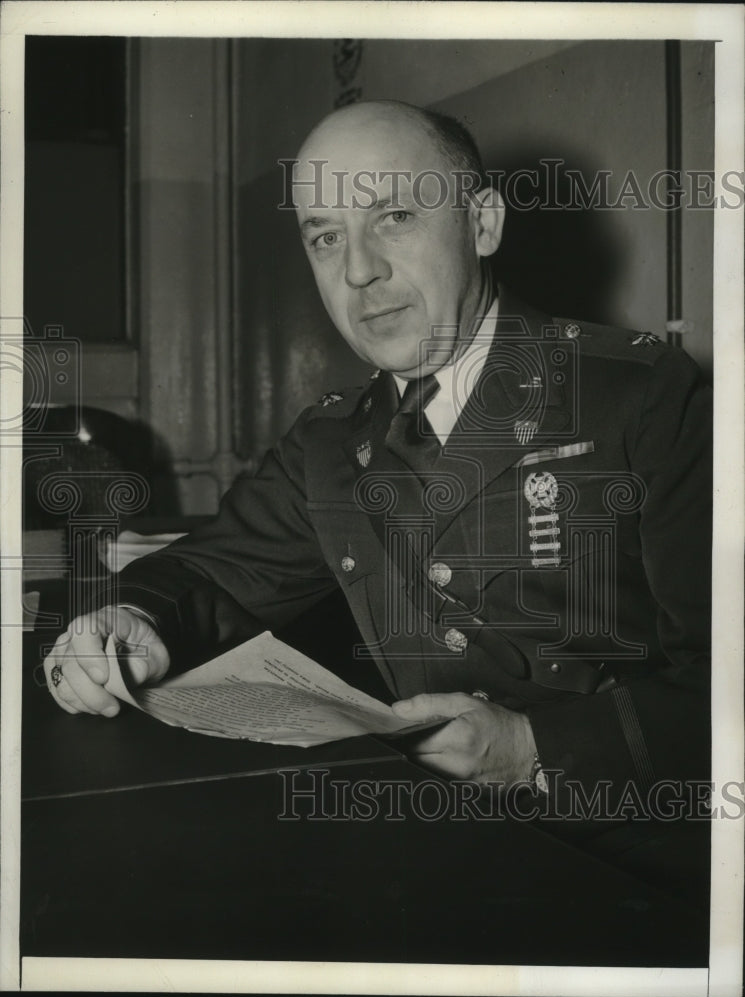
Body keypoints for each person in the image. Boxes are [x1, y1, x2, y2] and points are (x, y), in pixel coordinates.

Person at [44, 101, 711, 819]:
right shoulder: (330, 440)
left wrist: (535, 747)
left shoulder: (641, 398)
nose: (357, 270)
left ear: (481, 223)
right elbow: (209, 570)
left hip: (626, 848)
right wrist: (130, 615)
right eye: (326, 237)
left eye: (394, 217)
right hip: (424, 829)